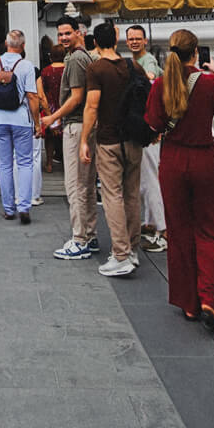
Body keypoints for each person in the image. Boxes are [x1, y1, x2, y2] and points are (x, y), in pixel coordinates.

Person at [144, 29, 214, 330]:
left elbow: (154, 123)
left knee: (180, 231)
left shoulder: (160, 84)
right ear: (195, 52)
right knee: (211, 230)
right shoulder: (209, 83)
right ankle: (210, 298)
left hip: (172, 162)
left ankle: (189, 304)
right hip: (203, 159)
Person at [82, 21, 145, 277]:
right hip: (134, 138)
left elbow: (92, 106)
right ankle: (132, 248)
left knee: (112, 195)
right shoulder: (133, 66)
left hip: (108, 139)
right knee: (131, 194)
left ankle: (120, 254)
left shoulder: (96, 68)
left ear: (95, 43)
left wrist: (85, 138)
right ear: (116, 41)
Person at [42, 16, 97, 259]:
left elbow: (76, 97)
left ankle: (80, 239)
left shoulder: (75, 59)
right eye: (60, 34)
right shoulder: (83, 56)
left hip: (75, 125)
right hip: (84, 124)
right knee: (86, 184)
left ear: (78, 32)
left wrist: (52, 117)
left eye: (67, 33)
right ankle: (90, 234)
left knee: (75, 184)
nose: (63, 37)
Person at [0, 29, 37, 223]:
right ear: (23, 46)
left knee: (4, 164)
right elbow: (32, 96)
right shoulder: (26, 66)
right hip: (22, 119)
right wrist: (37, 122)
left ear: (6, 44)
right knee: (24, 163)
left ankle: (8, 208)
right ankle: (24, 206)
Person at [126, 25, 166, 252]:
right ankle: (152, 221)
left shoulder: (148, 62)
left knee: (150, 178)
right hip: (143, 126)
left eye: (137, 39)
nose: (133, 42)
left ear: (145, 40)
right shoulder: (135, 61)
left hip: (148, 127)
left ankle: (161, 227)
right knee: (145, 178)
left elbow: (149, 81)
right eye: (130, 39)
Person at [37, 44, 66, 185]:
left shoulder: (45, 71)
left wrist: (48, 111)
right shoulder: (67, 69)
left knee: (49, 138)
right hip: (66, 106)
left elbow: (41, 93)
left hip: (51, 106)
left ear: (50, 56)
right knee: (66, 137)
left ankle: (49, 163)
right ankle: (67, 164)